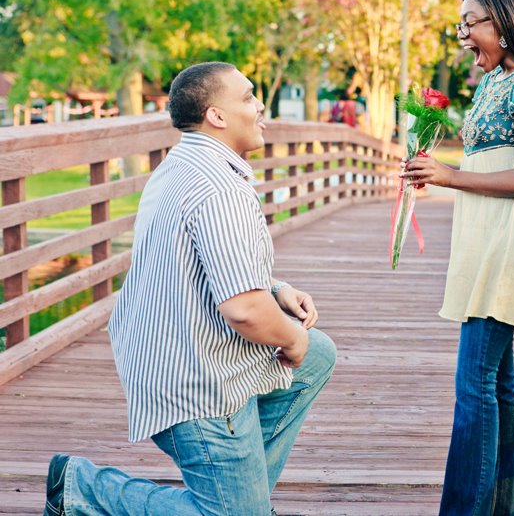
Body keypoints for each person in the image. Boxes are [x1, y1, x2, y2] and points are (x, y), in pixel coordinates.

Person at [44, 62, 337, 515]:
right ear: (216, 116)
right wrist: (292, 336)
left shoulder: (181, 162)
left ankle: (244, 495)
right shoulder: (218, 187)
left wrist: (273, 287)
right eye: (247, 96)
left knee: (317, 355)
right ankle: (80, 488)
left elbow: (197, 265)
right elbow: (243, 310)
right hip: (196, 382)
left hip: (165, 356)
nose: (260, 106)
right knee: (304, 347)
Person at [402, 0, 514, 515]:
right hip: (483, 233)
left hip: (510, 235)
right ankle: (504, 510)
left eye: (471, 23)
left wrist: (449, 177)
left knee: (473, 382)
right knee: (497, 382)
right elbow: (485, 160)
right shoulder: (495, 81)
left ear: (504, 20)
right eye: (463, 25)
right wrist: (434, 165)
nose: (464, 36)